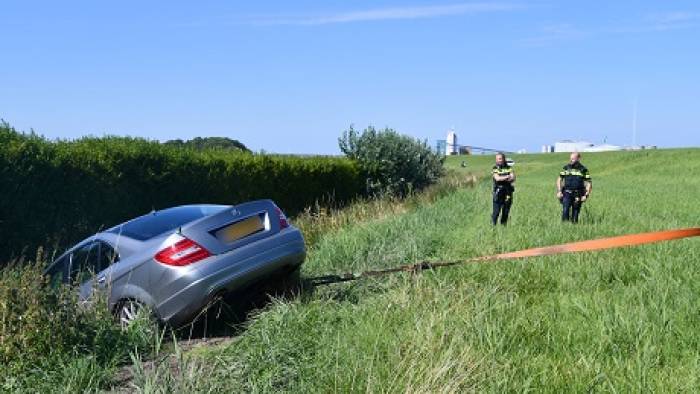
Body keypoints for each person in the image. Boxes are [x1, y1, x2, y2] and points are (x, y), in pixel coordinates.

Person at [556, 152, 592, 223]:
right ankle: (565, 226)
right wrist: (559, 191)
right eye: (570, 158)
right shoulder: (566, 168)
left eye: (573, 159)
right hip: (567, 193)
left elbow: (589, 183)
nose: (571, 160)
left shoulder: (583, 170)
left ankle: (573, 227)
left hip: (578, 194)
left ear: (578, 159)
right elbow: (559, 179)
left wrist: (586, 195)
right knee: (565, 209)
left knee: (575, 216)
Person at [491, 152, 515, 225]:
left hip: (508, 193)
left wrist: (504, 178)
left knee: (506, 212)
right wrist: (507, 177)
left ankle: (503, 228)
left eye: (500, 159)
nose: (499, 160)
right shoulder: (495, 168)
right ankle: (492, 228)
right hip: (498, 193)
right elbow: (497, 178)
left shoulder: (509, 168)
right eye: (497, 159)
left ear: (504, 159)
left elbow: (513, 178)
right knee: (496, 212)